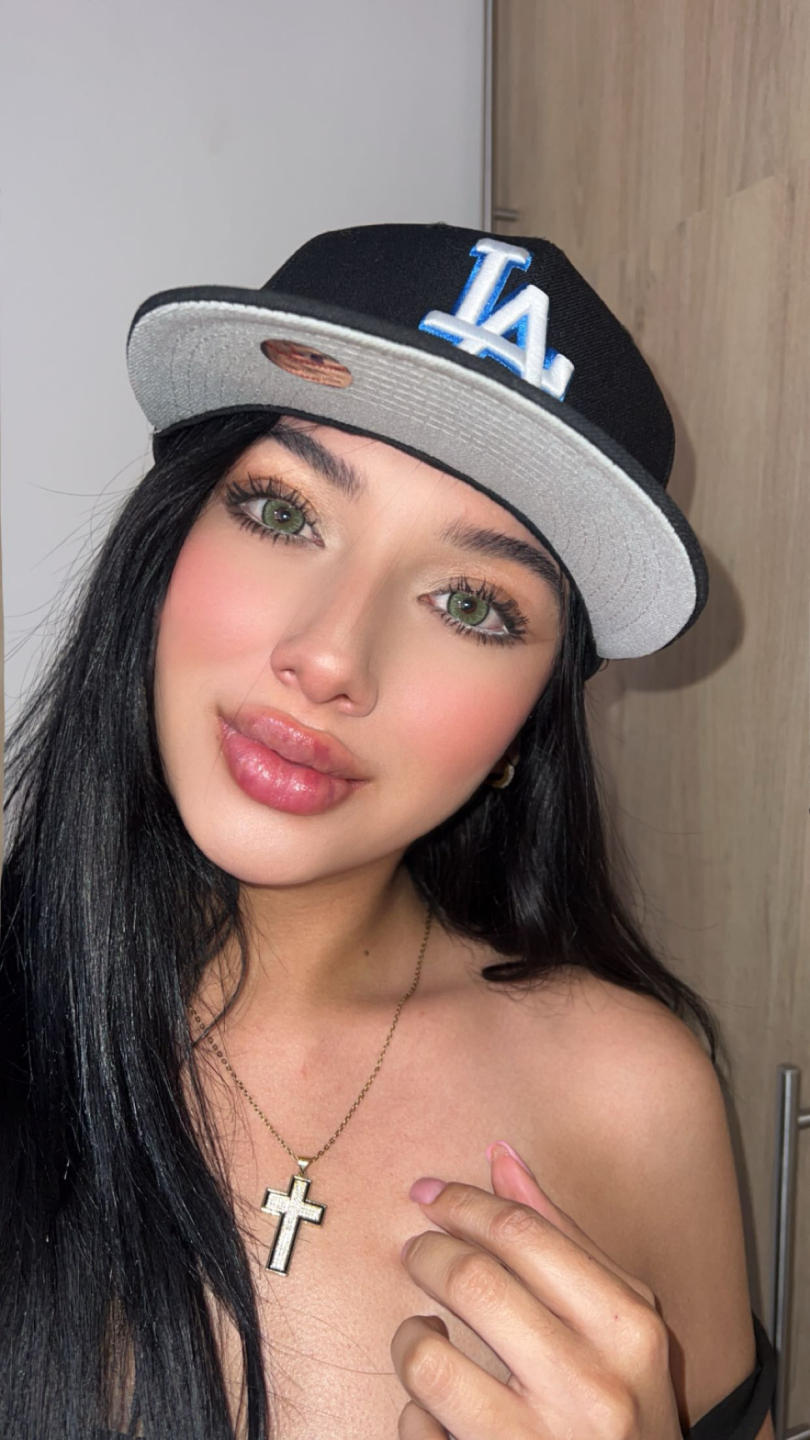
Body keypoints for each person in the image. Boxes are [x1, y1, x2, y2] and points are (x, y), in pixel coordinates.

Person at [0, 223, 776, 1440]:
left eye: (471, 602)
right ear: (166, 546)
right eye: (283, 510)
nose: (329, 657)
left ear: (527, 727)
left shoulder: (635, 1095)